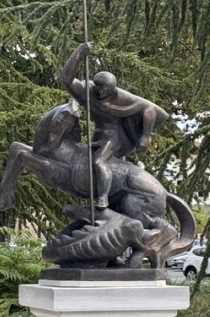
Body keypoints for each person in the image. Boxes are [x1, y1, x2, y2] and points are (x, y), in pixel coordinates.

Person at [59, 42, 169, 208]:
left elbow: (150, 109)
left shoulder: (122, 97)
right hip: (98, 135)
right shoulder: (88, 90)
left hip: (115, 138)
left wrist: (145, 137)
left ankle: (103, 199)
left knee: (98, 162)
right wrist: (80, 52)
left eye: (108, 91)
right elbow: (65, 79)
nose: (104, 94)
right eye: (102, 90)